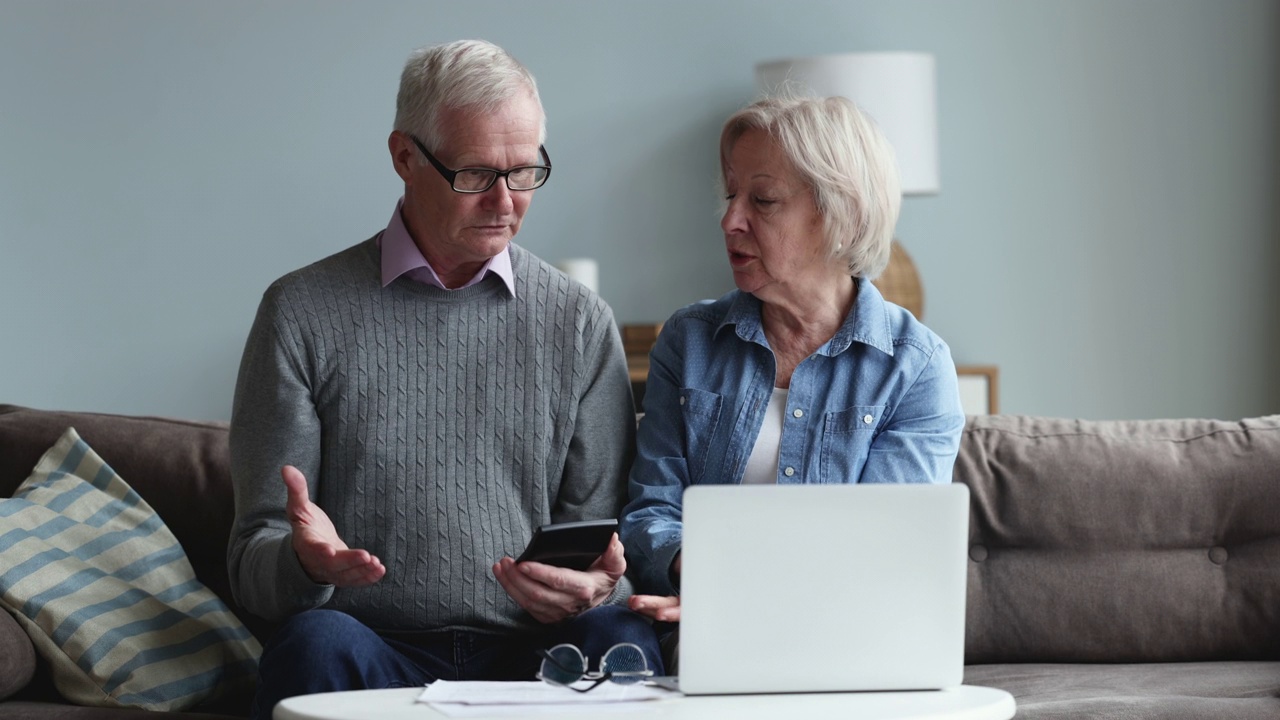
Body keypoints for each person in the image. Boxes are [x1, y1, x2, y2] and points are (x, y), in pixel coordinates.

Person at [228, 40, 660, 719]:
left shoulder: (579, 322)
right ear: (404, 156)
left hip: (536, 655)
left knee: (623, 637)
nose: (503, 201)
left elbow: (606, 549)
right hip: (371, 647)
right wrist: (305, 566)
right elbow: (252, 561)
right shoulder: (300, 312)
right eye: (475, 174)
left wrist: (598, 587)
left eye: (524, 173)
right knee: (312, 642)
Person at [619, 96, 967, 629]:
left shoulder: (915, 366)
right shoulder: (688, 342)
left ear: (840, 216)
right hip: (698, 622)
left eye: (762, 200)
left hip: (846, 630)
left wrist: (742, 597)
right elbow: (651, 513)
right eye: (731, 195)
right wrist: (709, 583)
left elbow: (886, 548)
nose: (730, 219)